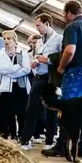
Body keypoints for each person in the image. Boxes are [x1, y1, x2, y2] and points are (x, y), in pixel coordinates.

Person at [43, 1, 82, 158]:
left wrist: (60, 68)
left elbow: (69, 50)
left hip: (76, 71)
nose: (64, 17)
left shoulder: (73, 27)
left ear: (68, 12)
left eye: (64, 14)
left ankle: (63, 145)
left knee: (67, 108)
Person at [20, 14, 62, 150]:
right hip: (38, 76)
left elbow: (62, 57)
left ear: (47, 24)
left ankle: (49, 141)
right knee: (31, 107)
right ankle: (25, 140)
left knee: (51, 109)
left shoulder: (59, 39)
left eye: (38, 25)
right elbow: (38, 56)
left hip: (51, 77)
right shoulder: (39, 41)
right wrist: (36, 61)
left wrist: (47, 59)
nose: (37, 28)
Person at [0, 30, 31, 141]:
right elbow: (0, 68)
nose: (6, 41)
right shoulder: (0, 53)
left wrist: (11, 73)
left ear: (14, 40)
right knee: (9, 112)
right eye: (4, 39)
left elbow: (26, 69)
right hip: (6, 87)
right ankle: (13, 135)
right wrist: (15, 68)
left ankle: (22, 135)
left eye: (9, 38)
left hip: (21, 87)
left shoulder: (22, 53)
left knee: (22, 112)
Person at [26, 34, 46, 142]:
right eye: (32, 43)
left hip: (41, 80)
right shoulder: (27, 54)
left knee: (42, 109)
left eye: (35, 42)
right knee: (31, 108)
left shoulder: (43, 55)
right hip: (31, 80)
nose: (33, 45)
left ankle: (39, 132)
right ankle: (32, 134)